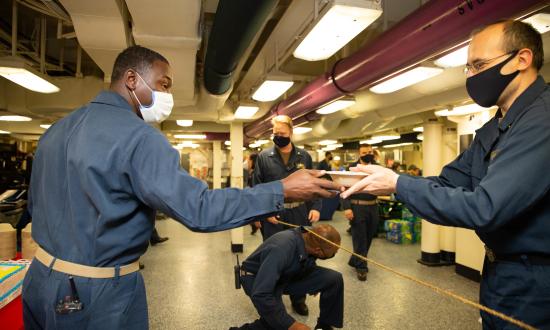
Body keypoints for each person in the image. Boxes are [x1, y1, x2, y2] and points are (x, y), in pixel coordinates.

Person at [23, 45, 341, 330]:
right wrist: (280, 191)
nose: (167, 96)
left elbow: (35, 207)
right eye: (163, 84)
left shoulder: (57, 129)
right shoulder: (140, 138)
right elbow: (199, 209)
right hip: (97, 292)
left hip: (40, 279)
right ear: (131, 80)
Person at [343, 20, 550, 329]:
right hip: (499, 272)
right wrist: (387, 184)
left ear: (522, 59)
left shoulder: (541, 121)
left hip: (535, 280)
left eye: (479, 65)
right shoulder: (494, 128)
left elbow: (485, 208)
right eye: (468, 68)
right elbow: (445, 184)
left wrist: (398, 183)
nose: (472, 76)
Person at [253, 115, 322, 316]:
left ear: (291, 133)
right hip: (274, 216)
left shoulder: (304, 156)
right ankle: (273, 301)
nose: (278, 137)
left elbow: (313, 183)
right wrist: (262, 214)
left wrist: (316, 206)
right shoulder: (264, 157)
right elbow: (257, 187)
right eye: (275, 134)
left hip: (299, 213)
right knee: (273, 258)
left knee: (301, 256)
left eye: (282, 134)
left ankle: (298, 299)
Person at [232, 224, 343, 330]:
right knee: (277, 323)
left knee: (333, 279)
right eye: (333, 253)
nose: (334, 255)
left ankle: (324, 326)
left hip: (286, 274)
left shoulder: (311, 234)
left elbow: (307, 257)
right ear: (318, 250)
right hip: (257, 279)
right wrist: (291, 325)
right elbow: (261, 294)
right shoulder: (281, 249)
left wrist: (314, 282)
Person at [341, 144, 380, 281]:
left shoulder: (377, 168)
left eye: (370, 152)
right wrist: (347, 207)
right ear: (359, 154)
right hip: (357, 207)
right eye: (364, 152)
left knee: (369, 237)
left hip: (373, 207)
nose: (367, 154)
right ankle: (362, 268)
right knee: (360, 238)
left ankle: (355, 260)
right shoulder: (351, 169)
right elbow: (343, 189)